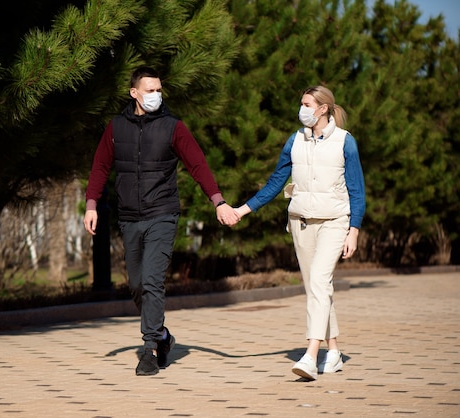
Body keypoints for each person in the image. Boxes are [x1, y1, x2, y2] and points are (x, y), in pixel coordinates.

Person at [83, 66, 239, 376]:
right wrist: (91, 204)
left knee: (153, 282)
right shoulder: (115, 127)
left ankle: (150, 350)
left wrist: (217, 200)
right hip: (128, 216)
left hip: (162, 213)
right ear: (134, 93)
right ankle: (164, 336)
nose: (155, 95)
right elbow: (100, 166)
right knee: (138, 286)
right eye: (149, 90)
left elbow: (197, 164)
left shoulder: (173, 127)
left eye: (159, 90)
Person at [231, 85, 366, 381]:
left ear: (323, 109)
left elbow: (357, 190)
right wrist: (242, 210)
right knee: (317, 288)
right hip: (301, 222)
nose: (302, 109)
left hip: (334, 221)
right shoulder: (295, 141)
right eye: (302, 103)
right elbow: (275, 182)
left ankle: (310, 354)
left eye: (307, 104)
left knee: (318, 281)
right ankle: (334, 351)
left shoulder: (345, 142)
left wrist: (353, 229)